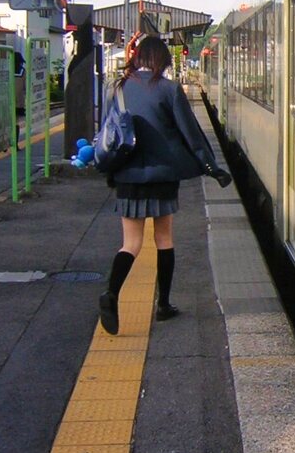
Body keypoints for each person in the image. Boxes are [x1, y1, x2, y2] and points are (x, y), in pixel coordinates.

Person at [98, 35, 232, 335]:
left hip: (127, 177)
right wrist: (211, 168)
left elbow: (107, 131)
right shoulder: (170, 90)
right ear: (162, 60)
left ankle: (110, 292)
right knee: (164, 238)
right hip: (162, 176)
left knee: (130, 244)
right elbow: (191, 134)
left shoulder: (116, 88)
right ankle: (164, 305)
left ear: (138, 57)